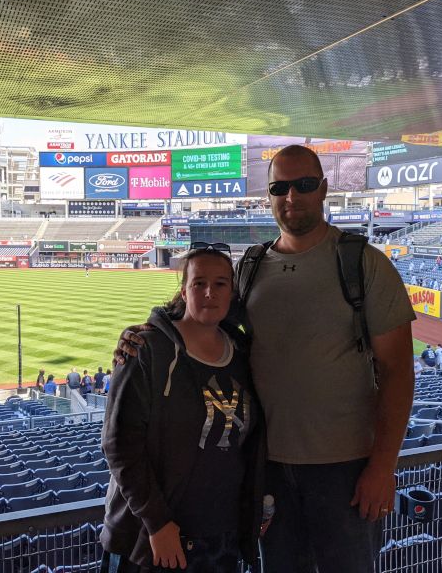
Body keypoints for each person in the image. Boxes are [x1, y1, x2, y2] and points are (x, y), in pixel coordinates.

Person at [114, 145, 415, 573]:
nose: (291, 197)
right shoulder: (252, 266)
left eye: (304, 185)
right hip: (265, 468)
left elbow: (398, 371)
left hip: (344, 470)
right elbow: (203, 308)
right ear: (269, 195)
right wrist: (145, 328)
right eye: (280, 187)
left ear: (324, 189)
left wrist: (383, 467)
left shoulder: (363, 263)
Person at [101, 246, 264, 572]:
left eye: (220, 284)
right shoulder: (147, 349)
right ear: (183, 290)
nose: (209, 292)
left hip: (222, 539)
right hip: (152, 541)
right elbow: (119, 444)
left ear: (232, 293)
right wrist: (157, 523)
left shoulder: (245, 356)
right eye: (198, 283)